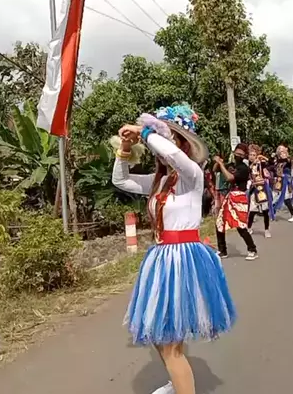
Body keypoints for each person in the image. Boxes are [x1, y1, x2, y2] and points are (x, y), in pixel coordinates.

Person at [112, 106, 236, 394]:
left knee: (170, 344)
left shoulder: (192, 174)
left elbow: (173, 156)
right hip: (162, 257)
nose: (161, 147)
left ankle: (181, 384)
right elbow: (120, 180)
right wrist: (126, 148)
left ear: (182, 143)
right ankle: (178, 381)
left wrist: (145, 131)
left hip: (183, 259)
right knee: (160, 334)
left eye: (169, 138)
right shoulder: (160, 181)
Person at [213, 143, 259, 260]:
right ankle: (222, 250)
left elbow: (230, 178)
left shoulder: (244, 168)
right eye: (237, 153)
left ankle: (252, 249)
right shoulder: (232, 165)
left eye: (241, 154)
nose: (238, 156)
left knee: (240, 226)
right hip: (230, 196)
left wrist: (221, 165)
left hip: (239, 197)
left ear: (244, 156)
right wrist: (218, 162)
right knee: (219, 223)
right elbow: (215, 170)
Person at [246, 144, 275, 238]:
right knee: (252, 210)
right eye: (250, 155)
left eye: (254, 155)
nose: (251, 157)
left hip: (263, 189)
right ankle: (249, 228)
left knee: (265, 211)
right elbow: (247, 173)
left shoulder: (261, 164)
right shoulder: (248, 165)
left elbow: (271, 163)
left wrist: (263, 158)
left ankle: (266, 230)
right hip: (254, 189)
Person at [272, 145, 293, 222]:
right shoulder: (278, 162)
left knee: (286, 198)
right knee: (275, 197)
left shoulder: (288, 161)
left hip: (286, 182)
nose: (282, 154)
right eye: (281, 152)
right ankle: (273, 213)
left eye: (283, 152)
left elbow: (288, 161)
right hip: (279, 181)